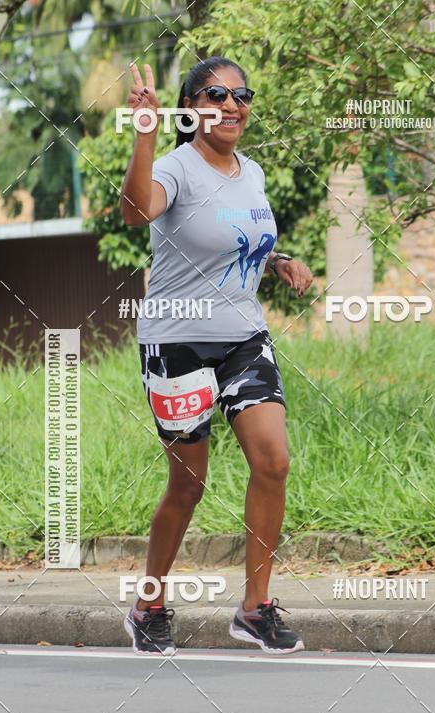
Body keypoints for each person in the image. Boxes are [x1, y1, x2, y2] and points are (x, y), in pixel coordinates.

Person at [119, 56, 313, 655]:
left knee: (273, 460)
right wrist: (145, 134)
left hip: (242, 337)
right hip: (176, 341)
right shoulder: (176, 167)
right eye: (215, 95)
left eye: (240, 95)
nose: (231, 105)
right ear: (190, 108)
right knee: (188, 483)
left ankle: (255, 609)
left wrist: (278, 263)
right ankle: (149, 603)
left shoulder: (250, 173)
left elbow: (245, 241)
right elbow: (135, 210)